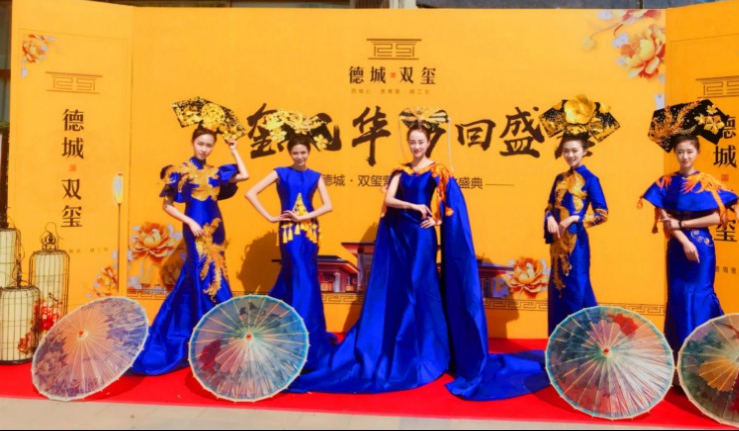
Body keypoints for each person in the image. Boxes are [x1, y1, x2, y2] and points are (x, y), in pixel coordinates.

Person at [289, 122, 549, 400]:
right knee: (403, 290)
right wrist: (413, 206)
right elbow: (389, 199)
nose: (416, 146)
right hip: (400, 236)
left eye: (420, 142)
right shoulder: (400, 171)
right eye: (412, 142)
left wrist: (437, 219)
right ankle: (406, 346)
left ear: (428, 143)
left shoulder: (438, 171)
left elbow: (453, 205)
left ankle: (429, 349)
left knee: (421, 288)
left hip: (422, 236)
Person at [131, 126, 249, 374]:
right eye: (200, 144)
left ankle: (209, 331)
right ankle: (207, 333)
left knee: (215, 273)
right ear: (193, 143)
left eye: (209, 145)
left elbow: (245, 175)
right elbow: (167, 205)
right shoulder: (179, 171)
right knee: (199, 272)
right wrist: (190, 222)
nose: (204, 149)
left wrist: (234, 150)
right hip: (194, 229)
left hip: (215, 228)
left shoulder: (217, 172)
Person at [641, 133, 739, 353]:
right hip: (678, 247)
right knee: (678, 297)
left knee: (701, 296)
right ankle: (679, 354)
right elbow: (666, 220)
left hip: (702, 247)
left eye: (689, 151)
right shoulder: (665, 183)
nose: (684, 156)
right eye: (680, 152)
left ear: (697, 152)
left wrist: (683, 224)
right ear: (674, 153)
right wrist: (684, 240)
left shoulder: (706, 182)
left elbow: (717, 218)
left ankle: (706, 352)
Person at [244, 134, 335, 371]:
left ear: (309, 152)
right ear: (289, 153)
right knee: (298, 276)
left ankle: (309, 335)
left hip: (310, 233)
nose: (300, 157)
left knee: (306, 278)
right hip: (289, 234)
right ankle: (296, 335)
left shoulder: (315, 176)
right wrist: (270, 216)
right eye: (295, 153)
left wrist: (303, 217)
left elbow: (328, 205)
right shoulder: (280, 173)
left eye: (303, 152)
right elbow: (250, 193)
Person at [544, 133, 608, 334]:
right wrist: (549, 218)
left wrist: (574, 219)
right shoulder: (559, 178)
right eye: (566, 151)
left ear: (584, 152)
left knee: (576, 290)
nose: (570, 155)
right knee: (557, 291)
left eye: (574, 150)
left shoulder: (590, 179)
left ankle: (580, 341)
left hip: (576, 244)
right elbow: (549, 206)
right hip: (557, 244)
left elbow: (602, 214)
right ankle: (559, 343)